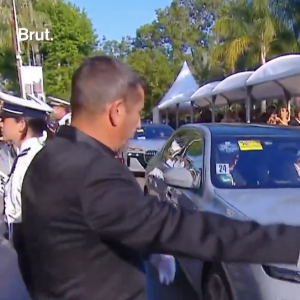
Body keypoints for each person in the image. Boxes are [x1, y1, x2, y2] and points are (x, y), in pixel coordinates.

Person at [18, 56, 300, 300]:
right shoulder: (91, 172)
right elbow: (180, 227)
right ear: (116, 112)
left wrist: (142, 249)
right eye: (137, 113)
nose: (138, 123)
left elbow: (27, 250)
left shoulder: (46, 159)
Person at [0, 90, 52, 251]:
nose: (1, 124)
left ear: (21, 124)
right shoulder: (25, 154)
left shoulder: (34, 158)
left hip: (35, 246)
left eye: (4, 119)